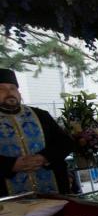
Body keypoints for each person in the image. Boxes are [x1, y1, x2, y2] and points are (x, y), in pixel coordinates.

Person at [0, 68, 74, 196]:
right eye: (2, 89)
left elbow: (65, 143)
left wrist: (43, 157)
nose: (9, 93)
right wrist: (11, 165)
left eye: (13, 88)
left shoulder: (41, 115)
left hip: (53, 191)